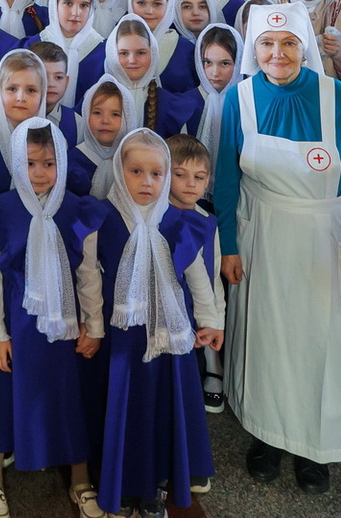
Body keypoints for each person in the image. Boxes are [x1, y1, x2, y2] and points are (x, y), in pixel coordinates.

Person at [215, 4, 341, 494]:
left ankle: (313, 445)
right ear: (253, 51)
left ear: (303, 45)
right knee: (266, 338)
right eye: (266, 44)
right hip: (262, 230)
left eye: (288, 43)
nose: (277, 53)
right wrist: (230, 247)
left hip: (324, 237)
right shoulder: (239, 98)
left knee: (321, 340)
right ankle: (268, 434)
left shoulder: (333, 94)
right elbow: (226, 177)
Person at [0, 115, 107, 518]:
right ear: (15, 163)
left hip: (64, 324)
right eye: (29, 163)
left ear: (61, 162)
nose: (39, 173)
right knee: (5, 396)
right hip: (16, 326)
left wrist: (94, 325)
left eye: (49, 163)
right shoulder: (1, 210)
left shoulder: (78, 210)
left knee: (68, 398)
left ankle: (80, 479)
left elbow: (88, 272)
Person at [92, 129, 207, 517]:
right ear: (119, 171)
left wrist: (210, 320)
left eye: (157, 174)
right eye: (136, 172)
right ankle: (120, 483)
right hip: (121, 339)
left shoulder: (179, 222)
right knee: (123, 408)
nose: (146, 182)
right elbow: (87, 277)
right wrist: (92, 325)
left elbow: (197, 278)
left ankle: (153, 485)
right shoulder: (101, 217)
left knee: (158, 409)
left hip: (166, 339)